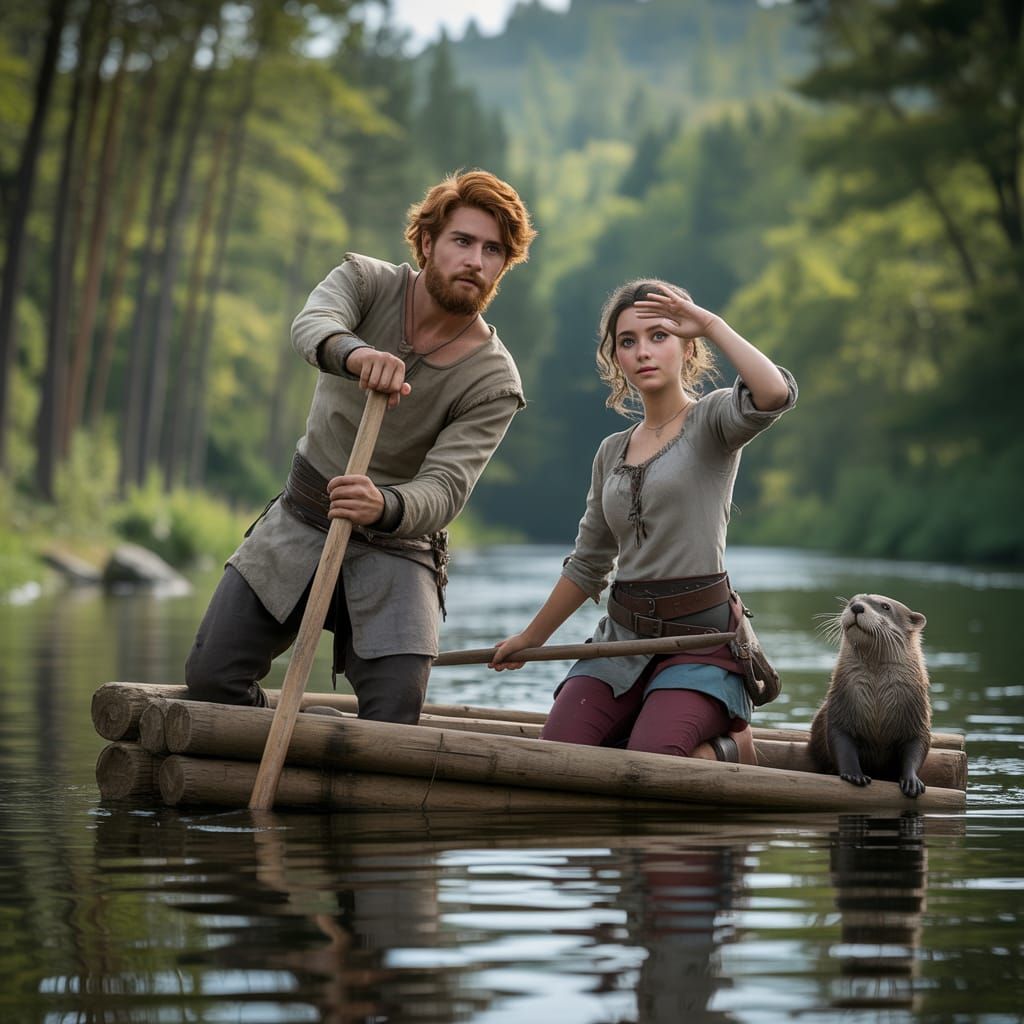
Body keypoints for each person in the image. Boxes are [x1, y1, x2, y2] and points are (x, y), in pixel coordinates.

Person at [185, 170, 537, 724]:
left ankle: (330, 757)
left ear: (503, 265)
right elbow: (312, 324)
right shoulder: (364, 280)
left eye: (492, 250)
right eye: (462, 241)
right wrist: (354, 354)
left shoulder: (494, 378)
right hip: (303, 520)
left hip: (399, 549)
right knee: (211, 680)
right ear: (427, 243)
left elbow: (445, 489)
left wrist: (385, 505)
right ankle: (298, 736)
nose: (476, 260)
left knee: (395, 716)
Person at [489, 279, 796, 762]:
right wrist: (530, 639)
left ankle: (732, 745)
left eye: (659, 336)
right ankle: (645, 716)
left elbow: (773, 392)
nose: (643, 352)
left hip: (702, 643)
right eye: (627, 342)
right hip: (620, 644)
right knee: (558, 757)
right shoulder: (610, 451)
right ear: (616, 358)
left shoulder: (713, 420)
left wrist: (711, 324)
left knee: (653, 761)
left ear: (686, 346)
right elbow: (588, 563)